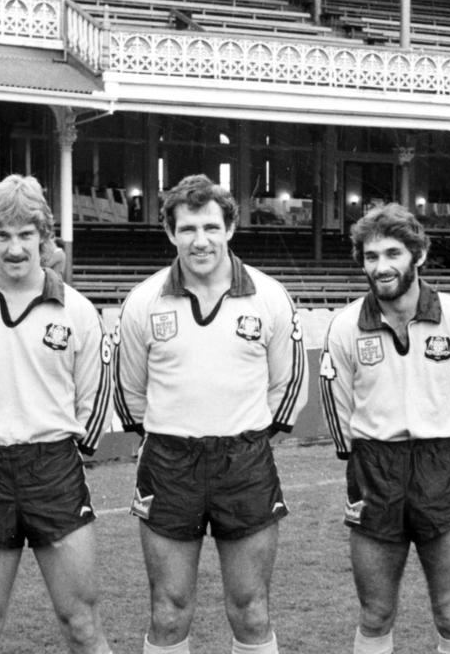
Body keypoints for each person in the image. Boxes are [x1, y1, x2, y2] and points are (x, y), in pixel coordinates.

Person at [114, 173, 307, 654]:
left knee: (251, 609)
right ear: (170, 233)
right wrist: (169, 434)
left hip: (244, 462)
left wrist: (251, 440)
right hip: (168, 462)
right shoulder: (143, 301)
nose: (200, 241)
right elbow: (129, 391)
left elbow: (288, 386)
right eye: (187, 229)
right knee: (168, 610)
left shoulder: (268, 296)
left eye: (210, 227)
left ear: (230, 229)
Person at [0, 175, 114, 654]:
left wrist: (61, 447)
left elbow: (92, 397)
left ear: (44, 237)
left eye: (25, 234)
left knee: (80, 623)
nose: (15, 248)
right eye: (2, 236)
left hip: (53, 469)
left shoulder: (76, 310)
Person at [320, 203, 450, 654]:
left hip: (440, 466)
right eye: (371, 257)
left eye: (393, 253)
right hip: (375, 468)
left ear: (419, 255)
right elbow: (338, 404)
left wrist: (446, 434)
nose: (382, 266)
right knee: (375, 613)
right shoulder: (344, 327)